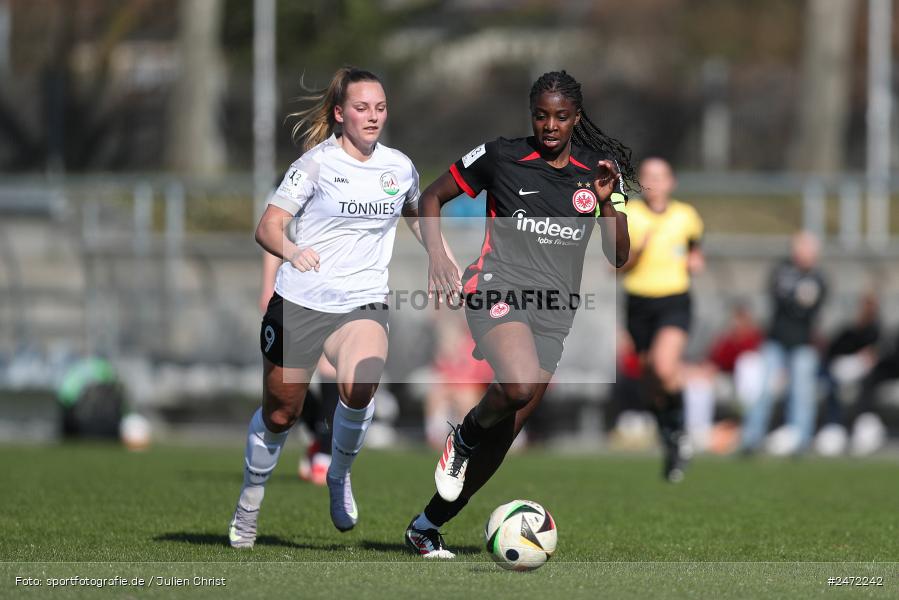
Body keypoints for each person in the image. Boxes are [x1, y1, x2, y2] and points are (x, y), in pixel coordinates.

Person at [404, 70, 634, 558]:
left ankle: (426, 525)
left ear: (576, 118)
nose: (550, 125)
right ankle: (463, 435)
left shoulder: (597, 171)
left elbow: (618, 256)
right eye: (541, 115)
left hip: (554, 314)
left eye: (561, 117)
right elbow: (431, 196)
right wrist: (438, 255)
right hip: (495, 287)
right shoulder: (500, 156)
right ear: (531, 114)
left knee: (504, 436)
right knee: (518, 385)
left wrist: (609, 202)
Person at [229, 66, 447, 548]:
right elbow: (268, 227)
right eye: (362, 108)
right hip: (301, 302)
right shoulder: (315, 165)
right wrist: (291, 251)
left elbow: (415, 213)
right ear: (340, 113)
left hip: (362, 301)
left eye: (380, 108)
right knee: (281, 414)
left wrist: (440, 254)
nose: (373, 116)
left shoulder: (399, 167)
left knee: (361, 385)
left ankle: (339, 473)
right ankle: (249, 501)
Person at [618, 158, 704, 481]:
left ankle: (679, 431)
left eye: (660, 176)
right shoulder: (630, 215)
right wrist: (637, 253)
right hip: (639, 304)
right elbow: (616, 266)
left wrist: (695, 260)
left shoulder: (686, 216)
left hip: (674, 301)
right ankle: (670, 438)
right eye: (648, 177)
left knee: (664, 367)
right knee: (650, 380)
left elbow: (695, 249)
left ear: (671, 182)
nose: (654, 182)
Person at [740, 231, 827, 456]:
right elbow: (784, 301)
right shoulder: (782, 271)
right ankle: (751, 438)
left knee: (801, 394)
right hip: (776, 340)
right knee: (763, 390)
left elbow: (811, 307)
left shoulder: (819, 277)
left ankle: (800, 441)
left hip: (803, 343)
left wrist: (798, 303)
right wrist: (798, 302)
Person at [261, 249, 337, 486]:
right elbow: (274, 237)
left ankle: (325, 452)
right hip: (295, 293)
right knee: (289, 382)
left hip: (338, 288)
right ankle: (319, 434)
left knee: (330, 367)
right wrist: (267, 286)